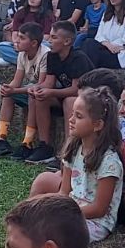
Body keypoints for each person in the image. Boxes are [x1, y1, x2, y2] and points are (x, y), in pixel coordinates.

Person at [22, 86, 124, 248]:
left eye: (78, 116)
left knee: (49, 235)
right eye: (72, 114)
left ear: (97, 124)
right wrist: (44, 206)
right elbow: (64, 191)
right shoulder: (74, 150)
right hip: (71, 211)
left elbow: (99, 209)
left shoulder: (109, 162)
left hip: (96, 222)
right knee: (30, 223)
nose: (71, 119)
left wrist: (64, 214)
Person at [19, 22, 95, 166]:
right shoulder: (51, 56)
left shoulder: (78, 58)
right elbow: (49, 83)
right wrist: (37, 88)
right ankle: (45, 146)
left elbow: (76, 90)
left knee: (69, 101)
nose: (49, 41)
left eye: (54, 37)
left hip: (88, 99)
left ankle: (68, 151)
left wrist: (50, 91)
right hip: (67, 95)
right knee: (39, 97)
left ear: (67, 41)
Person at [0, 23, 47, 159]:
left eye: (22, 38)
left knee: (32, 95)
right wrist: (9, 88)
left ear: (33, 43)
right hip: (31, 88)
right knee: (8, 95)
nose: (16, 41)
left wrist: (15, 90)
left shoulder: (45, 55)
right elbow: (16, 81)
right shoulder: (22, 54)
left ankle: (27, 143)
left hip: (44, 93)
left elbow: (41, 85)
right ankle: (1, 139)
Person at [0, 0, 54, 65]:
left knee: (46, 46)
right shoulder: (21, 12)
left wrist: (28, 45)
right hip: (21, 44)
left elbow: (46, 37)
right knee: (0, 47)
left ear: (43, 1)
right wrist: (17, 44)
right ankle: (30, 63)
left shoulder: (48, 15)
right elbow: (15, 33)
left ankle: (20, 61)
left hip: (37, 45)